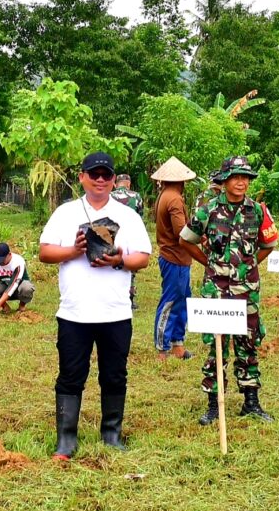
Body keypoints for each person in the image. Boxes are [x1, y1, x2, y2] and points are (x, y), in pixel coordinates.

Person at [39, 152, 152, 460]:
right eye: (94, 174)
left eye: (106, 175)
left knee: (114, 374)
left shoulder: (128, 216)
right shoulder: (65, 213)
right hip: (74, 312)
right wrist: (74, 250)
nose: (100, 180)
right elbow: (44, 253)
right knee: (70, 374)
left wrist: (119, 261)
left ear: (114, 180)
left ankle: (111, 433)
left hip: (115, 311)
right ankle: (66, 438)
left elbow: (143, 256)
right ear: (82, 178)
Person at [180, 155, 279, 424]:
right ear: (224, 181)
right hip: (216, 289)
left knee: (248, 344)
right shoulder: (208, 210)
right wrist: (208, 263)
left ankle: (251, 402)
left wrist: (247, 267)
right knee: (217, 346)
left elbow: (269, 244)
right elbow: (185, 240)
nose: (241, 182)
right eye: (235, 177)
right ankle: (214, 404)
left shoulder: (257, 211)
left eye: (245, 177)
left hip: (247, 291)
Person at [151, 156, 197, 360]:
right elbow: (182, 232)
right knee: (171, 301)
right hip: (175, 257)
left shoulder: (164, 195)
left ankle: (177, 344)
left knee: (182, 300)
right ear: (181, 181)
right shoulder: (175, 199)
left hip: (175, 257)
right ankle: (163, 347)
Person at [111, 173, 144, 309]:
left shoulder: (110, 196)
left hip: (113, 234)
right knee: (130, 265)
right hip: (130, 235)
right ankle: (129, 299)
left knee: (112, 262)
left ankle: (114, 295)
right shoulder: (136, 197)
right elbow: (140, 217)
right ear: (128, 183)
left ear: (116, 183)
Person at [0, 241, 34, 314]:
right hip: (4, 286)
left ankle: (21, 306)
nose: (0, 262)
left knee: (27, 287)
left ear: (9, 255)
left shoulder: (18, 262)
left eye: (2, 259)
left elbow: (13, 286)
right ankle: (5, 307)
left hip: (19, 288)